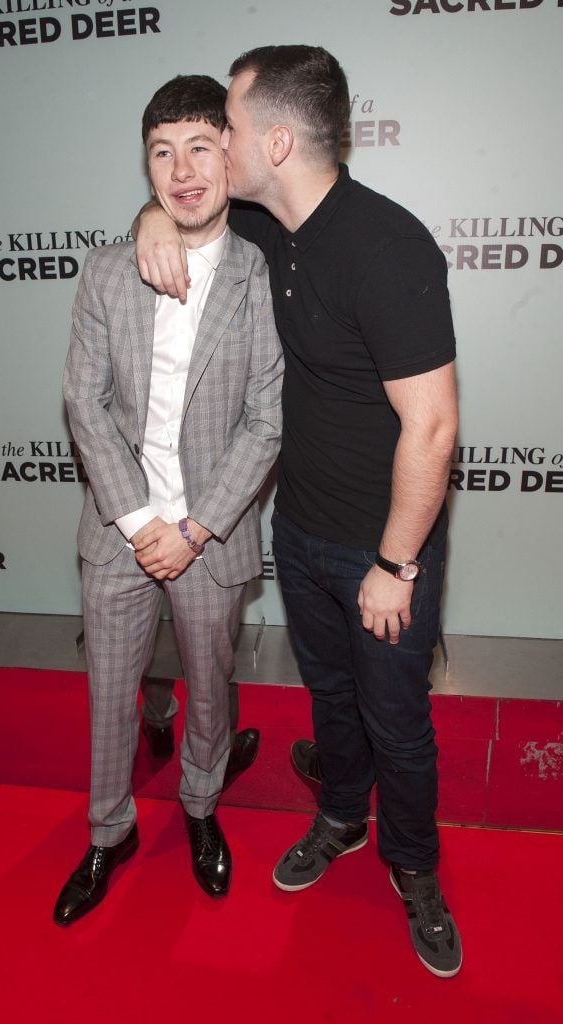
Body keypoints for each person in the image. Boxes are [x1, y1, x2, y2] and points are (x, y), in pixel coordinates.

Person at [135, 46, 461, 978]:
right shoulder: (269, 220)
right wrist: (152, 212)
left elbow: (432, 427)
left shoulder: (386, 248)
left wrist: (395, 564)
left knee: (397, 720)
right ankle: (340, 820)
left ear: (273, 140)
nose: (211, 149)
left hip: (382, 548)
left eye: (226, 130)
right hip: (299, 530)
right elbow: (179, 200)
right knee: (332, 704)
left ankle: (415, 868)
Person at [54, 74, 283, 925]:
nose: (182, 170)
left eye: (199, 147)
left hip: (208, 535)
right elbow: (84, 402)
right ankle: (107, 833)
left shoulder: (256, 274)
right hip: (119, 531)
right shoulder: (109, 271)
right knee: (111, 697)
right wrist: (144, 522)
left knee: (211, 686)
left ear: (228, 155)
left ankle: (198, 806)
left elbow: (266, 420)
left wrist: (192, 528)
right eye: (162, 152)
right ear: (145, 168)